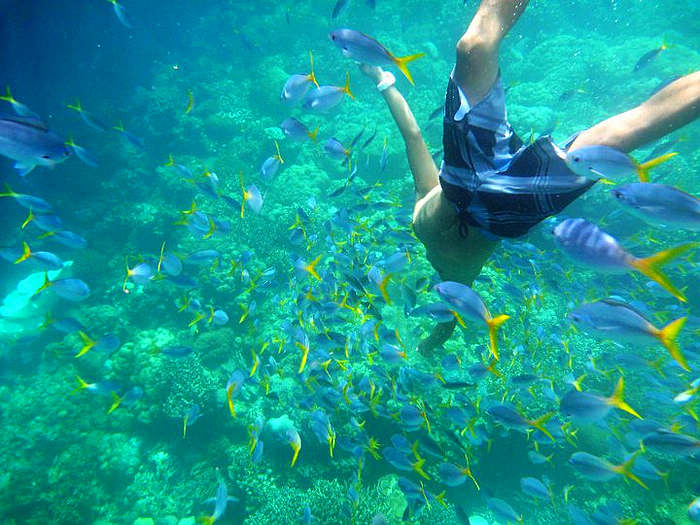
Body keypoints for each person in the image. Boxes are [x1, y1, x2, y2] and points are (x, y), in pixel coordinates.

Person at [359, 0, 700, 352]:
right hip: (513, 209)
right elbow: (451, 317)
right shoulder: (457, 281)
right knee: (623, 135)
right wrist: (431, 342)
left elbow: (413, 136)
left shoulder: (421, 218)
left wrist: (384, 82)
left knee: (472, 49)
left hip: (464, 174)